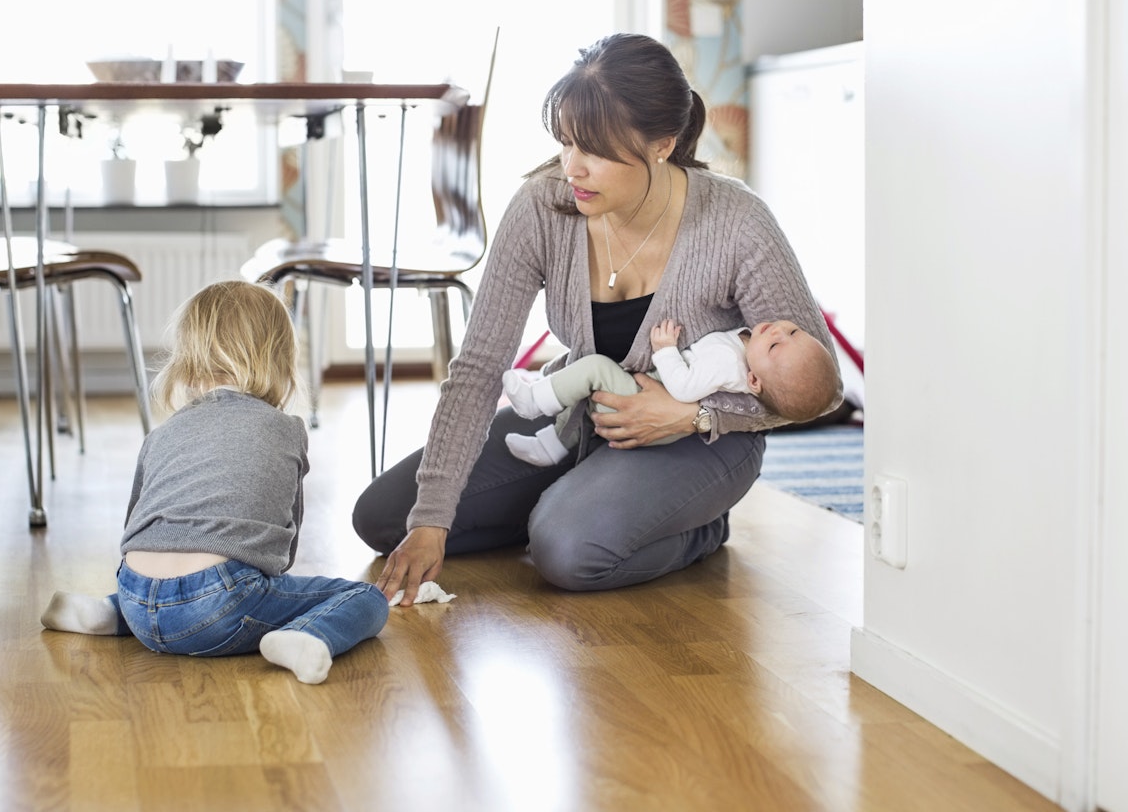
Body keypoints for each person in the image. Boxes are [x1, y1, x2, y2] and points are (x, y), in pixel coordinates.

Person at [351, 33, 843, 605]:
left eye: (597, 151)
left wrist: (694, 414)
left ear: (662, 144)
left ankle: (696, 527)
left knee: (566, 551)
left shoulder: (736, 222)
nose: (573, 168)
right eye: (565, 142)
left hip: (704, 442)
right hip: (577, 421)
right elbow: (482, 364)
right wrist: (432, 519)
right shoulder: (542, 205)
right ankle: (581, 498)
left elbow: (819, 387)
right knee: (386, 518)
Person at [39, 280, 389, 685]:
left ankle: (106, 611)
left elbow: (137, 523)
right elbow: (283, 546)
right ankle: (305, 636)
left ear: (189, 358)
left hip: (136, 592)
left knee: (169, 580)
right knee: (366, 597)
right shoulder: (285, 429)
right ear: (278, 357)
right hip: (218, 606)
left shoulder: (163, 433)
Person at [502, 317, 840, 466]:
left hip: (643, 407)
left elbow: (682, 387)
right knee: (585, 389)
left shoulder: (727, 362)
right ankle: (553, 445)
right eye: (793, 330)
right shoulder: (747, 350)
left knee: (593, 369)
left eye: (775, 347)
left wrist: (665, 349)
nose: (778, 331)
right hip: (645, 398)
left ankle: (532, 402)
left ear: (754, 382)